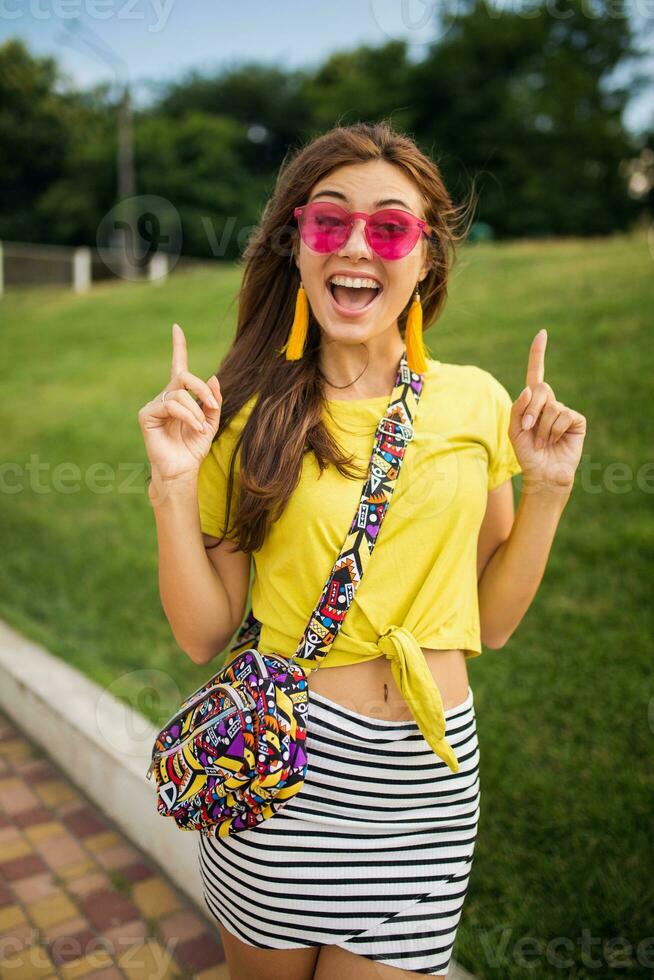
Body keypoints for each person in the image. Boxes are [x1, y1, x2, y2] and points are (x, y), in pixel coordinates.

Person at [138, 121, 586, 980]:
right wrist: (171, 483)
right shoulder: (242, 412)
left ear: (426, 260)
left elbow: (490, 623)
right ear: (297, 245)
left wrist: (550, 490)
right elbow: (202, 634)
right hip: (281, 768)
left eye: (389, 227)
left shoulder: (476, 403)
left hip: (427, 780)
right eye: (328, 221)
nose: (356, 246)